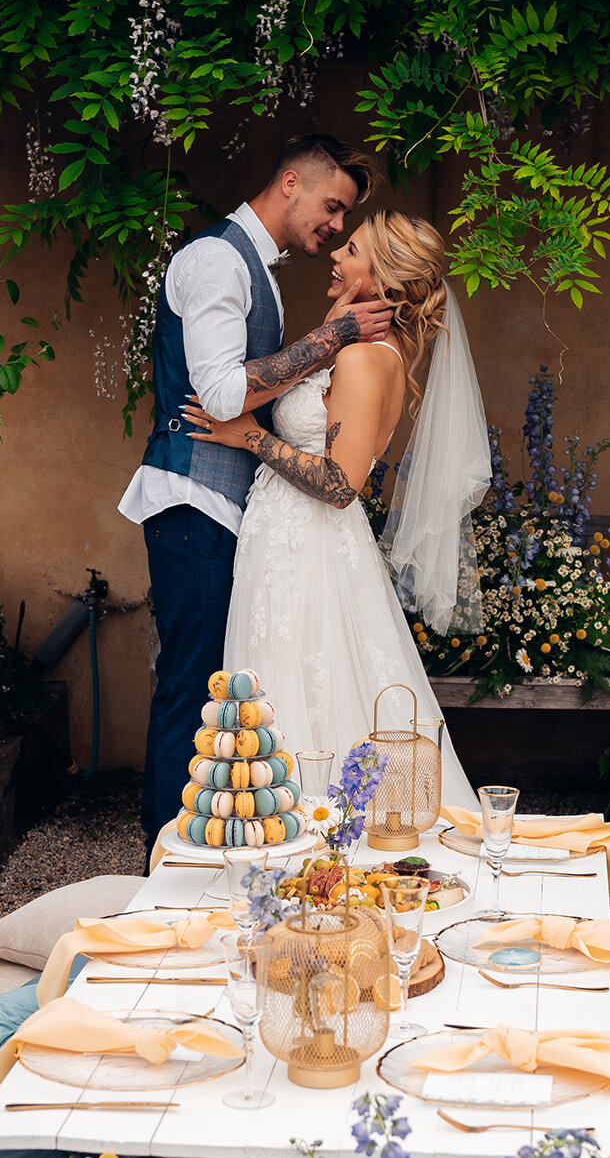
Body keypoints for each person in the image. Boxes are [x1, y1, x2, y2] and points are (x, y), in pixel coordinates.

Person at [119, 135, 394, 856]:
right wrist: (331, 336)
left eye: (344, 218)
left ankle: (192, 851)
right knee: (192, 690)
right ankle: (162, 861)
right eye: (331, 206)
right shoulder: (215, 258)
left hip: (226, 510)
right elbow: (218, 394)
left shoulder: (257, 270)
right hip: (192, 502)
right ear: (290, 179)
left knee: (213, 693)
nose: (334, 227)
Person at [184, 210, 491, 811]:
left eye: (350, 250)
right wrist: (331, 330)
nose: (335, 255)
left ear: (382, 277)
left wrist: (245, 435)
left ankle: (310, 832)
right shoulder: (362, 348)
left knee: (306, 683)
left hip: (310, 545)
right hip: (287, 536)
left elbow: (340, 481)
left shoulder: (365, 359)